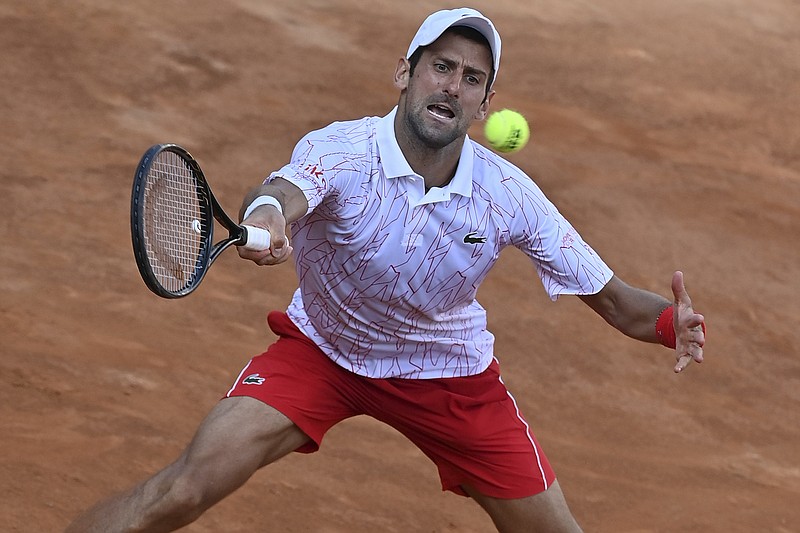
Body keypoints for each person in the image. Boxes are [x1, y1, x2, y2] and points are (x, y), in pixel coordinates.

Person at [66, 7, 706, 533]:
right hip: (324, 353)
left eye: (473, 78)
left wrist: (670, 323)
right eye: (441, 67)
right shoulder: (342, 151)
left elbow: (619, 302)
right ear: (406, 73)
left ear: (485, 103)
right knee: (181, 492)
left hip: (446, 374)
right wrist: (267, 222)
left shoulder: (508, 195)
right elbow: (282, 192)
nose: (453, 86)